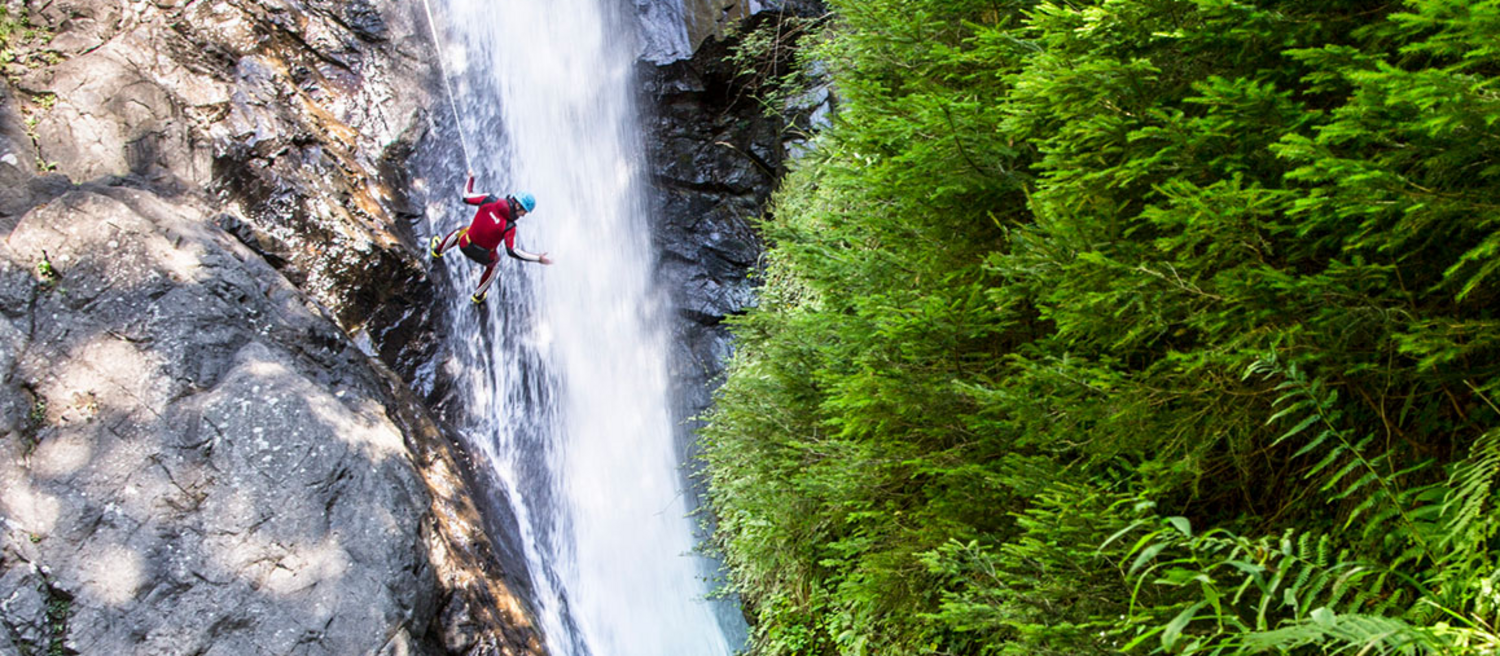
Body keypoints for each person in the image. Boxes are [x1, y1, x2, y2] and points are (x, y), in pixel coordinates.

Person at [429, 171, 553, 304]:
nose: (523, 215)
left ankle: (437, 251)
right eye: (524, 212)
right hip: (484, 257)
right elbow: (512, 251)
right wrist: (538, 258)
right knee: (495, 267)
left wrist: (471, 179)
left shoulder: (489, 200)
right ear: (517, 205)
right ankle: (478, 296)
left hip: (465, 244)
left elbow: (466, 196)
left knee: (461, 231)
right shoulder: (510, 226)